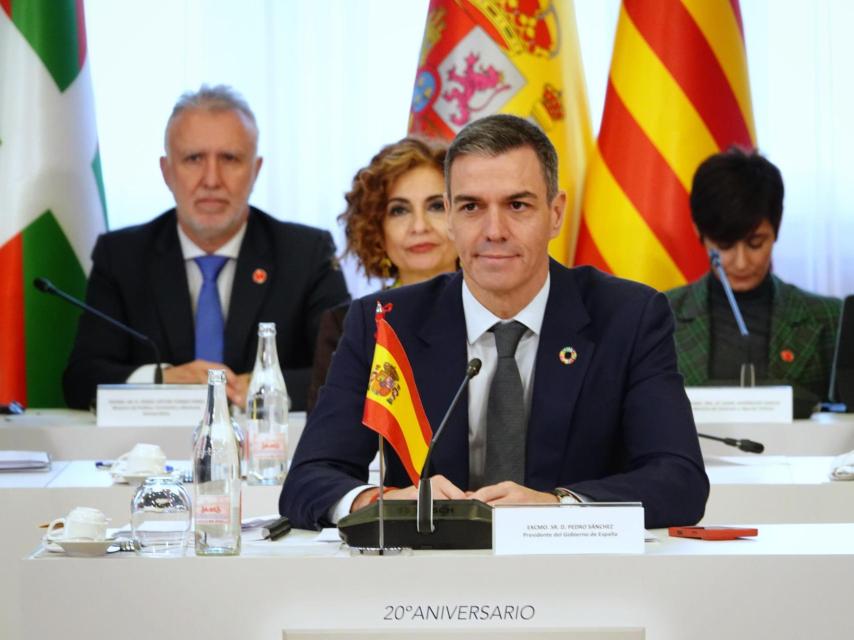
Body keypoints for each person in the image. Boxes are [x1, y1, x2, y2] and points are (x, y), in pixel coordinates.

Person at [281, 114, 708, 530]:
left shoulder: (629, 317)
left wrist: (560, 507)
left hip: (577, 574)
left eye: (517, 205)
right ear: (449, 216)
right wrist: (382, 502)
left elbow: (680, 481)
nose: (494, 230)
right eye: (471, 207)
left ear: (556, 212)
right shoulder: (386, 324)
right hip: (423, 583)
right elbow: (309, 480)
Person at [63, 85, 349, 411]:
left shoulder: (307, 254)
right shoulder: (122, 256)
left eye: (229, 159)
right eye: (193, 159)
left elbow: (347, 371)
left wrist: (260, 387)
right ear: (167, 172)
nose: (211, 179)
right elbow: (80, 378)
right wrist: (163, 378)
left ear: (255, 171)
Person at [666, 148, 841, 405]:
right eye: (724, 246)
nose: (741, 262)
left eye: (755, 244)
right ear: (699, 232)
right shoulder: (660, 316)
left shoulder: (829, 318)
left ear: (777, 229)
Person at [306, 137, 458, 411]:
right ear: (376, 230)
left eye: (436, 206)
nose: (419, 226)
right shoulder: (346, 324)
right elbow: (326, 440)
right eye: (399, 210)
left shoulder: (496, 314)